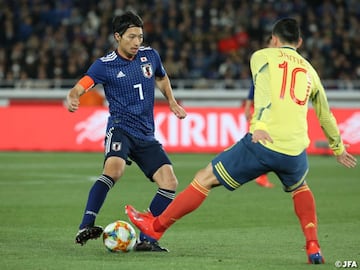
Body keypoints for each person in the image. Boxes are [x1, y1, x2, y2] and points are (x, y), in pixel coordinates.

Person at [125, 18, 357, 264]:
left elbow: (264, 91)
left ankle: (156, 227)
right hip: (296, 148)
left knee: (204, 178)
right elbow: (325, 113)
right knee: (300, 187)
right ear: (299, 42)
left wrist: (258, 126)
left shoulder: (262, 56)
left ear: (274, 39)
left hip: (263, 142)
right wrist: (338, 148)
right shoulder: (310, 70)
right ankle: (313, 246)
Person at [66, 10, 187, 252]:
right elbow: (82, 85)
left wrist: (172, 101)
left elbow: (162, 78)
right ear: (117, 37)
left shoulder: (150, 56)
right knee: (115, 170)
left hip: (146, 134)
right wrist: (73, 96)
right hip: (121, 128)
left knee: (170, 182)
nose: (137, 42)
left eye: (140, 37)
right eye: (131, 37)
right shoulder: (105, 65)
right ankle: (86, 225)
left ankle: (148, 238)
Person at [244, 36, 274, 188]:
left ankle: (260, 175)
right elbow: (254, 85)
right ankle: (260, 176)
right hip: (264, 108)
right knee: (262, 141)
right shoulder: (264, 61)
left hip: (276, 108)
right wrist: (248, 105)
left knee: (268, 141)